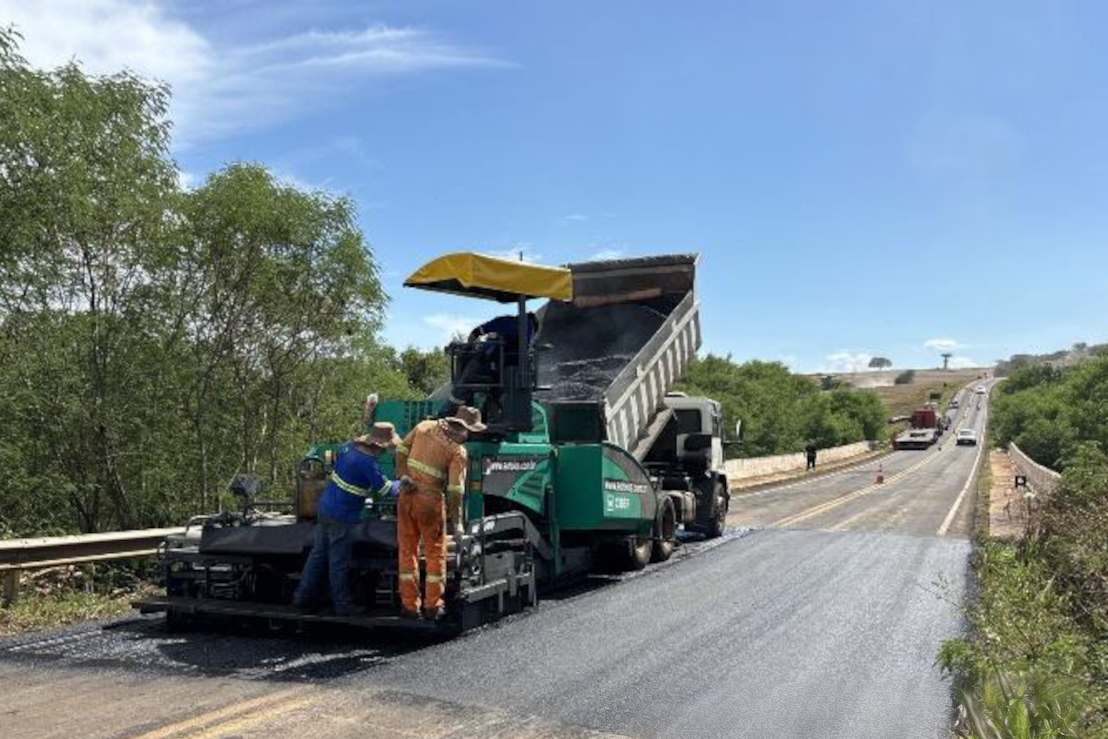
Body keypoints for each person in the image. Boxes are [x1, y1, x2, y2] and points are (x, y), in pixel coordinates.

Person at [293, 419, 402, 616]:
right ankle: (343, 605)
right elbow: (385, 489)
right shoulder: (368, 464)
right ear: (378, 445)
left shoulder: (348, 449)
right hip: (341, 516)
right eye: (386, 448)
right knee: (338, 562)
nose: (386, 451)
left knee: (317, 555)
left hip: (325, 509)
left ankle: (302, 596)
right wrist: (403, 483)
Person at [394, 406, 486, 619]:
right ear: (464, 429)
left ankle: (409, 606)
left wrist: (403, 476)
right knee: (436, 553)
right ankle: (433, 606)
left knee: (407, 551)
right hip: (430, 501)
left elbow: (400, 450)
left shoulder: (424, 427)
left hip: (406, 496)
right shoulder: (457, 451)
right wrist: (458, 521)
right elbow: (455, 490)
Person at [448, 312, 538, 409]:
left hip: (489, 364)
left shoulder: (505, 322)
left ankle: (452, 409)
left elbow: (475, 332)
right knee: (495, 393)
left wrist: (468, 348)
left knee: (465, 382)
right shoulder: (526, 330)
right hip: (503, 369)